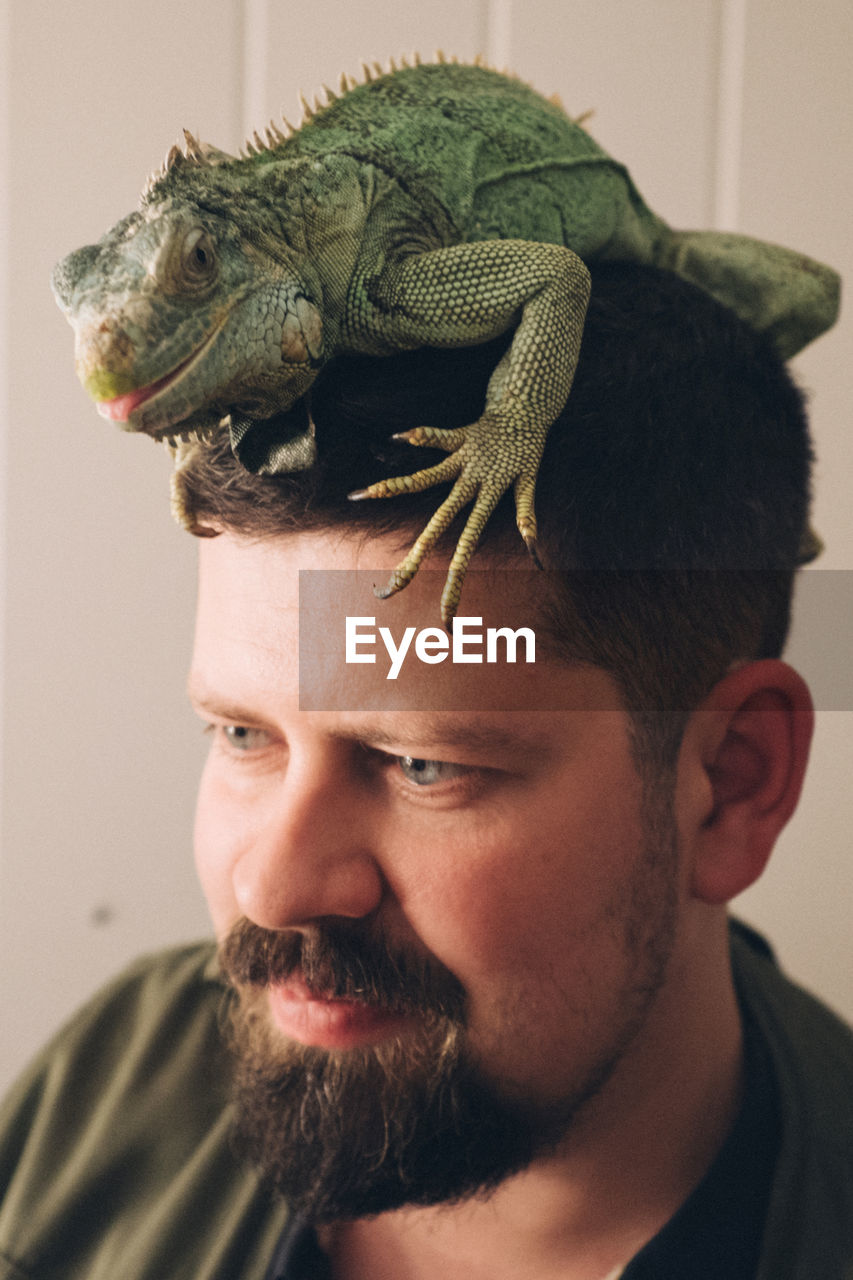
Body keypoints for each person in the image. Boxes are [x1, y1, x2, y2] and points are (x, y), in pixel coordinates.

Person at [0, 262, 851, 1279]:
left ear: (732, 783)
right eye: (241, 735)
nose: (270, 886)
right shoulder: (111, 1080)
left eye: (421, 763)